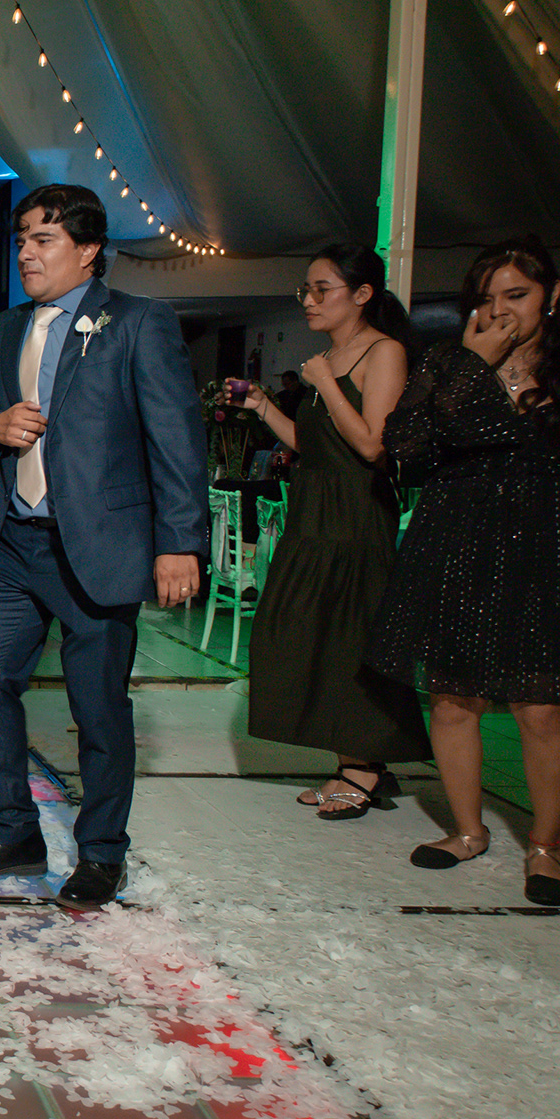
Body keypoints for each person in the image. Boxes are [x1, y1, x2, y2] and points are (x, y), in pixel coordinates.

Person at [0, 184, 207, 909]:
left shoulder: (138, 322)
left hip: (98, 546)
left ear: (88, 250)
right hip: (12, 542)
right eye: (21, 239)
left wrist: (180, 542)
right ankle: (12, 831)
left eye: (43, 239)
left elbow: (176, 438)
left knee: (99, 707)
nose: (26, 252)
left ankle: (102, 852)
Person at [368, 238, 560, 906]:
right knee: (455, 698)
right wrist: (472, 366)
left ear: (552, 296)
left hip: (545, 544)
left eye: (517, 295)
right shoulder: (449, 362)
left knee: (543, 707)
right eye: (486, 299)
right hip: (458, 543)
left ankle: (546, 846)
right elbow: (404, 448)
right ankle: (467, 830)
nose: (501, 310)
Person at [227, 245, 429, 817]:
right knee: (295, 631)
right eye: (306, 290)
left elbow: (372, 445)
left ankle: (361, 768)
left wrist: (326, 382)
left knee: (346, 638)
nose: (310, 301)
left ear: (362, 294)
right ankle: (358, 760)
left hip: (354, 515)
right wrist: (262, 406)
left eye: (322, 290)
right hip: (313, 511)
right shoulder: (329, 357)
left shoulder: (383, 352)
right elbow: (310, 442)